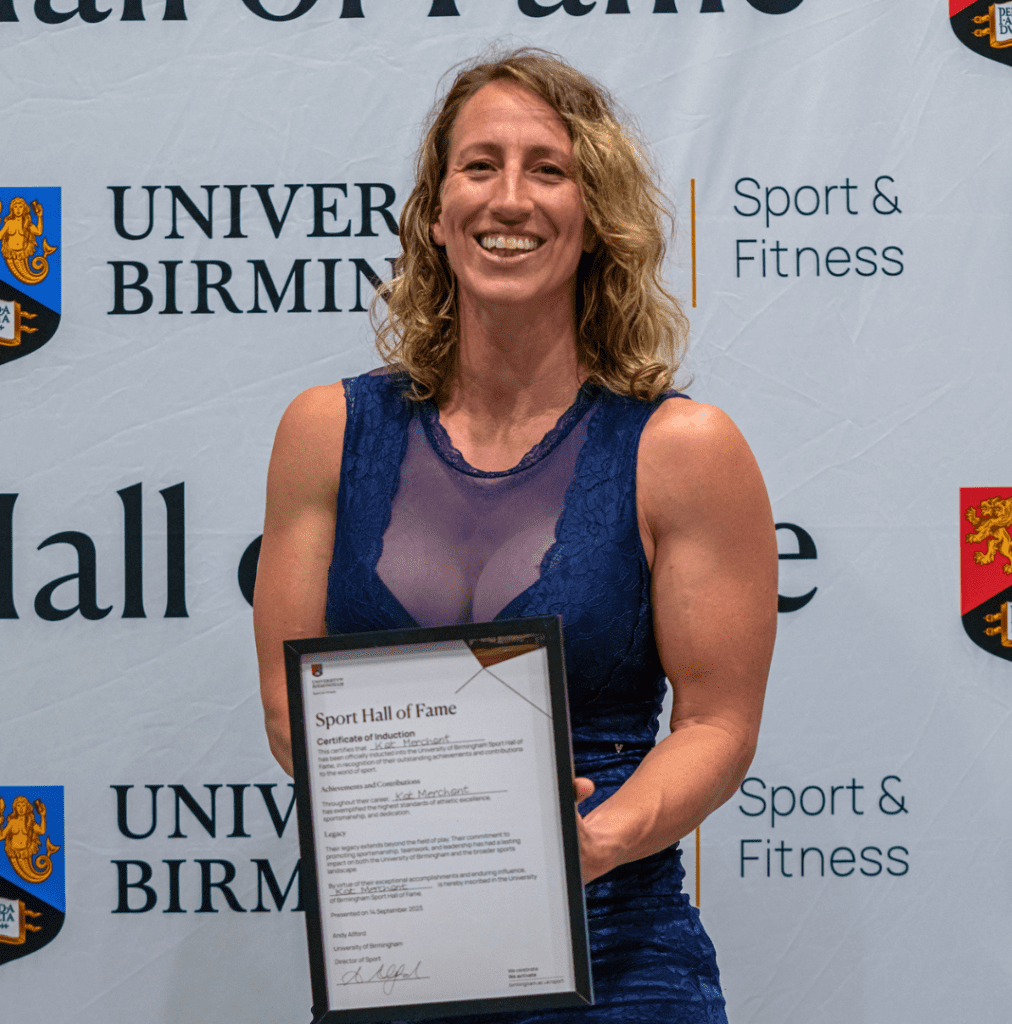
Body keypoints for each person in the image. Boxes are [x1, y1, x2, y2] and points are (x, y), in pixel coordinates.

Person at [254, 47, 777, 1023]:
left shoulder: (680, 449)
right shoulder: (322, 433)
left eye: (548, 168)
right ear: (436, 209)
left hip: (620, 960)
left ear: (595, 218)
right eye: (479, 165)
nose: (510, 198)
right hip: (402, 959)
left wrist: (586, 841)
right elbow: (292, 714)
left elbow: (716, 724)